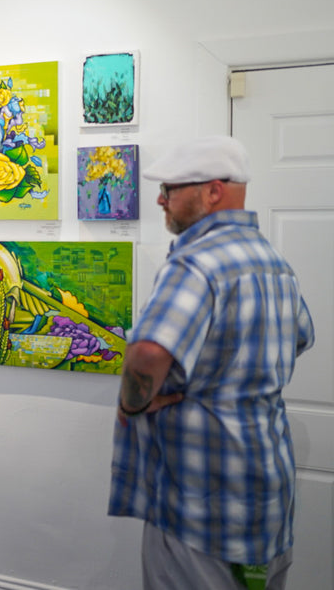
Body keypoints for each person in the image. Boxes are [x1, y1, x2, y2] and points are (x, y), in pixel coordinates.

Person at [108, 137, 314, 590]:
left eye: (170, 189)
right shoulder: (272, 261)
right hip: (266, 489)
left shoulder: (196, 261)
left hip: (200, 501)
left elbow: (149, 351)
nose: (160, 199)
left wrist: (133, 405)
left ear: (212, 192)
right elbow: (300, 336)